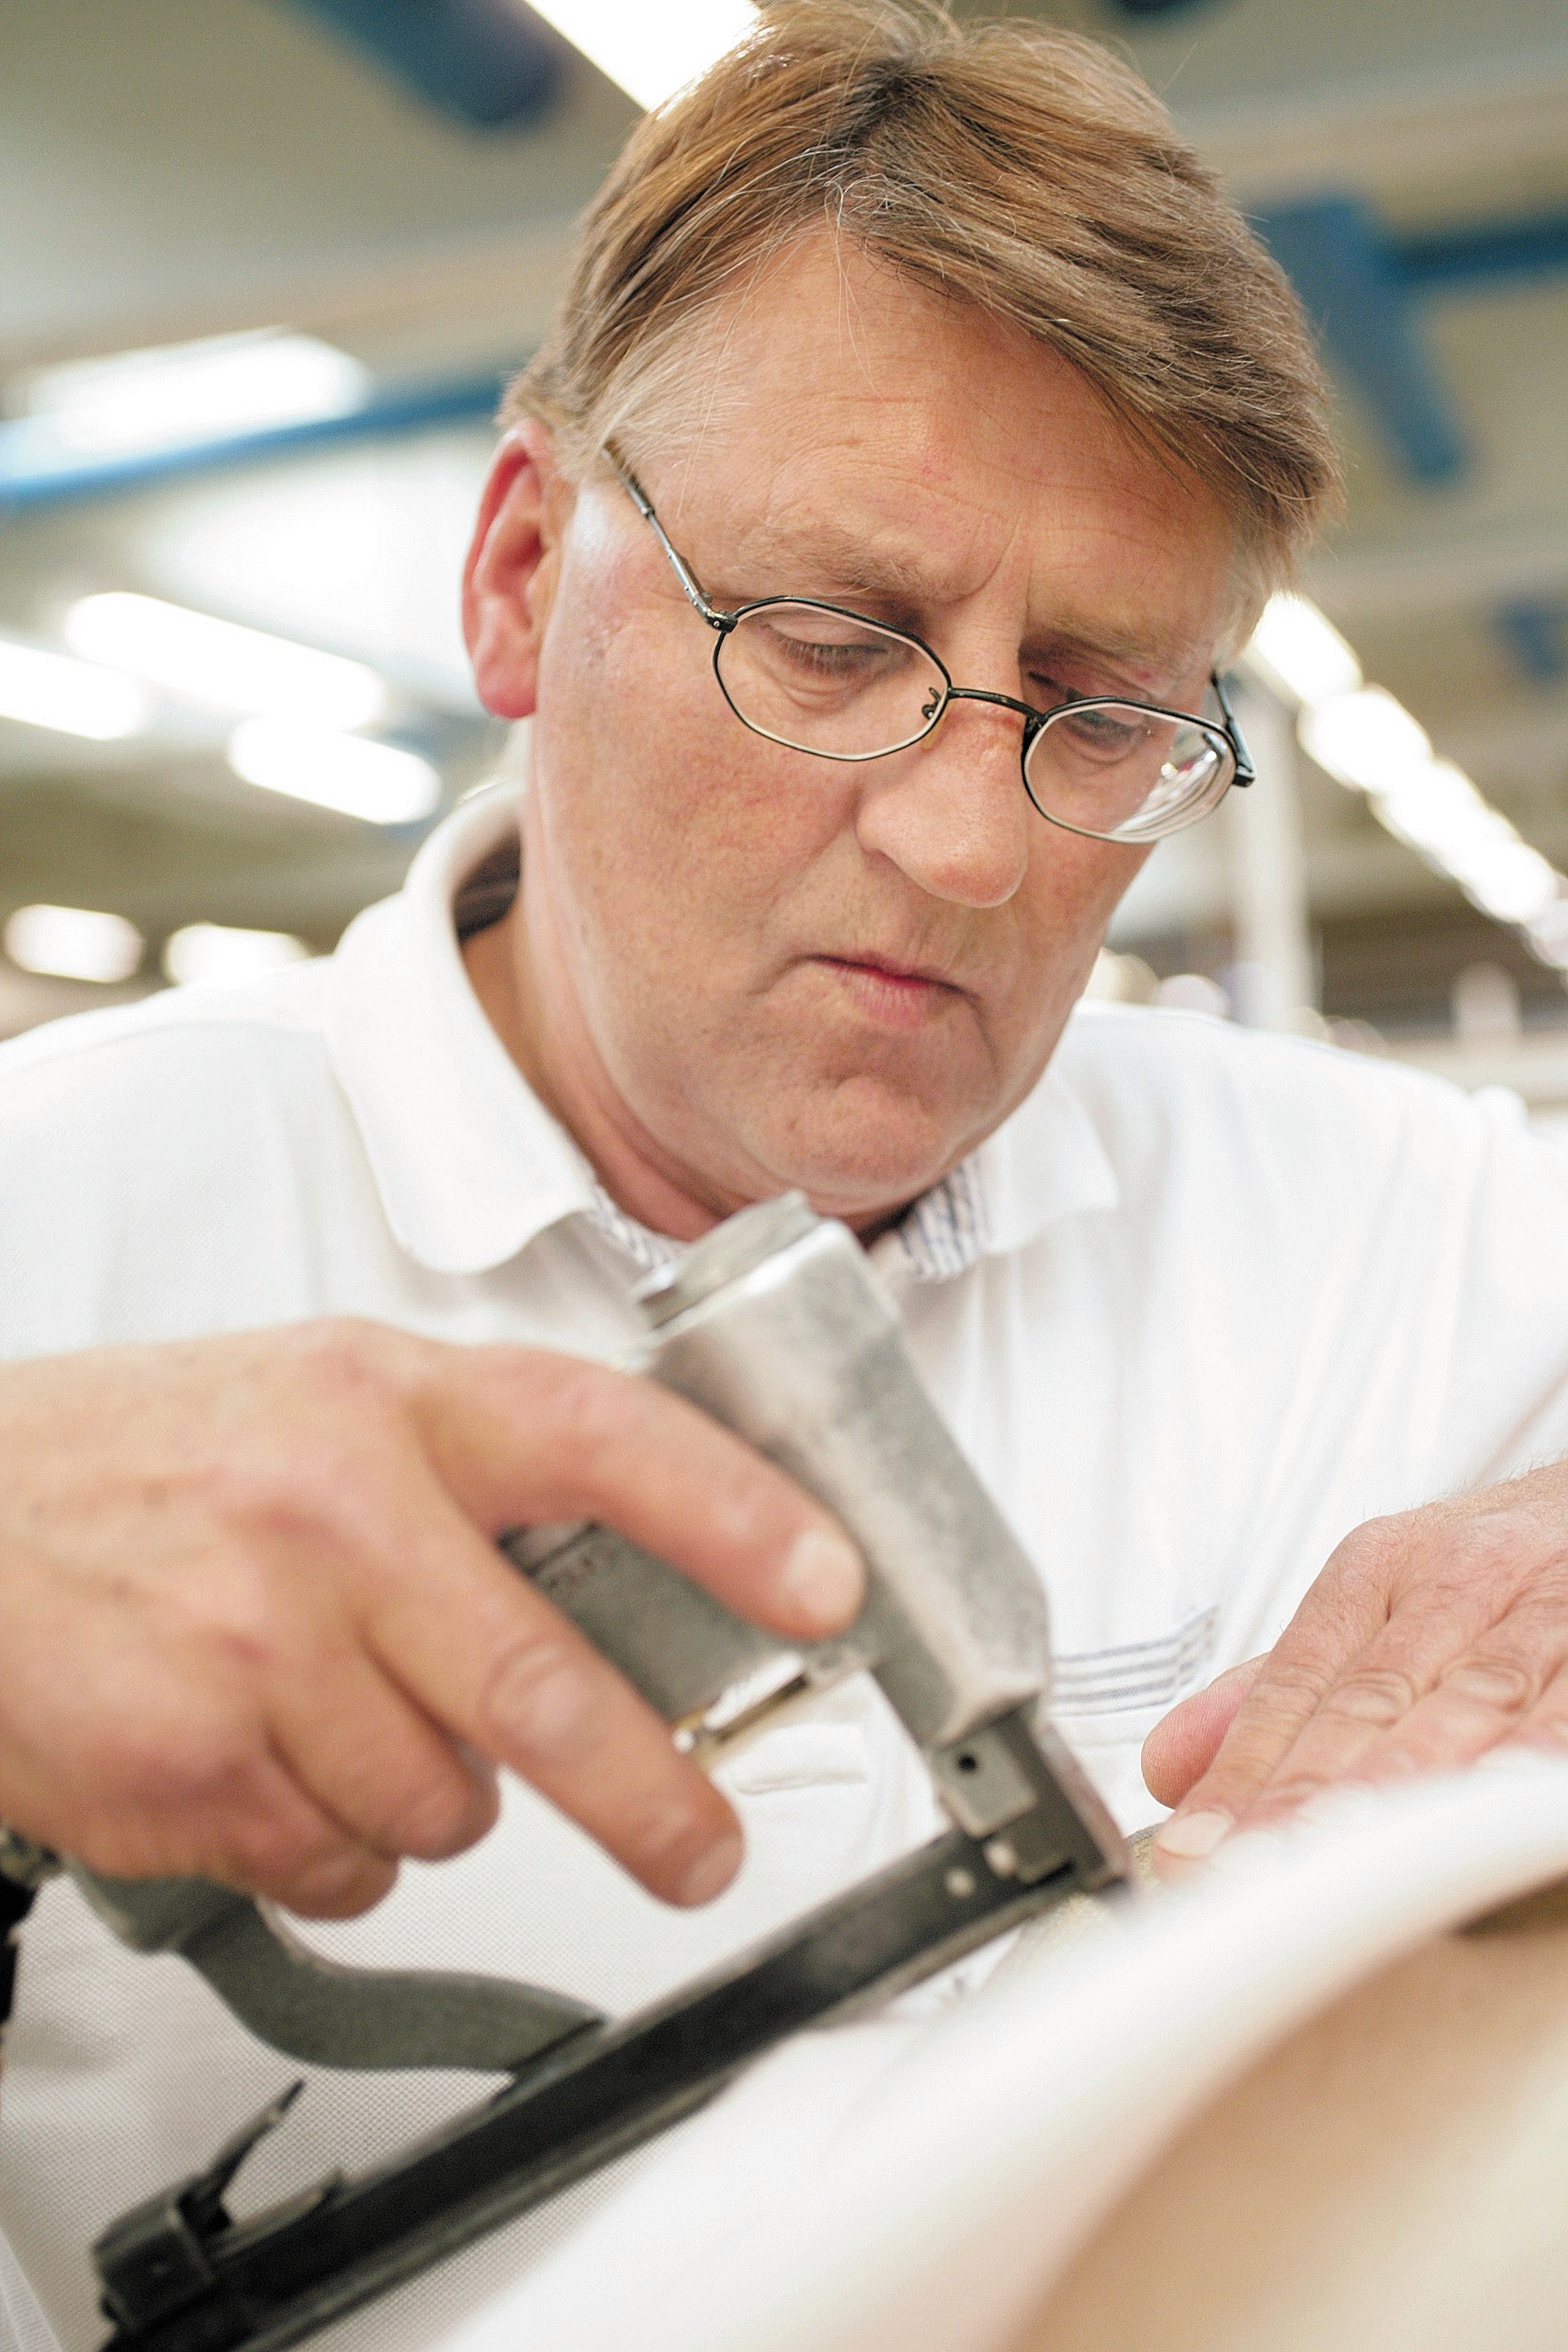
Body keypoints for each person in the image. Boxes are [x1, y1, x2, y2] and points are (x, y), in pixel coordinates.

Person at [5, 4, 1568, 2344]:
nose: (962, 839)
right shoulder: (53, 1227)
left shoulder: (1395, 1225)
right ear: (526, 575)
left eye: (1102, 710)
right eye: (832, 645)